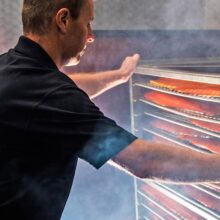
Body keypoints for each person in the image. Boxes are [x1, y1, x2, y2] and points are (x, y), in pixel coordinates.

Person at [0, 0, 219, 219]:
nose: (91, 35)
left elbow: (61, 90)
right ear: (63, 20)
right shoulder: (54, 96)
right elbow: (144, 161)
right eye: (88, 23)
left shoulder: (11, 69)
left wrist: (118, 76)